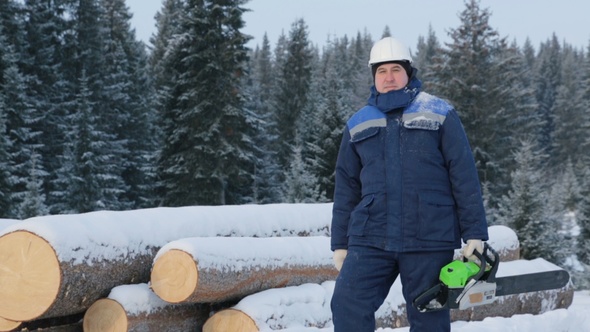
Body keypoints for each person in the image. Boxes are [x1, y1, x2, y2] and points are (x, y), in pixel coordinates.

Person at [330, 36, 489, 332]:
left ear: (408, 72)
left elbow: (464, 176)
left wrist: (475, 234)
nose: (389, 78)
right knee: (346, 302)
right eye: (381, 71)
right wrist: (340, 242)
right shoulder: (358, 123)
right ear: (373, 76)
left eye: (395, 70)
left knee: (428, 316)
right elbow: (347, 187)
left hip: (428, 236)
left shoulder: (440, 113)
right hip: (371, 237)